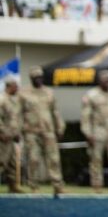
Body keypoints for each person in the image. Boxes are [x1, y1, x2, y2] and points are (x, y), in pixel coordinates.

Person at [20, 66, 66, 194]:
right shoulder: (23, 94)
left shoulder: (49, 92)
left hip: (48, 131)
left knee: (54, 159)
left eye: (40, 77)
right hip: (31, 131)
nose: (38, 80)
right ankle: (33, 186)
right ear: (31, 79)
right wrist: (18, 130)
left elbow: (55, 112)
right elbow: (19, 114)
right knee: (33, 159)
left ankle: (58, 186)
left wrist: (60, 127)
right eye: (36, 78)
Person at [0, 76, 23, 193]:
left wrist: (17, 133)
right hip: (3, 137)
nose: (17, 88)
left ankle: (13, 186)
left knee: (13, 163)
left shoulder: (13, 100)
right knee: (1, 162)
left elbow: (15, 119)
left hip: (12, 137)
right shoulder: (2, 99)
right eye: (15, 86)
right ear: (9, 86)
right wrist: (2, 133)